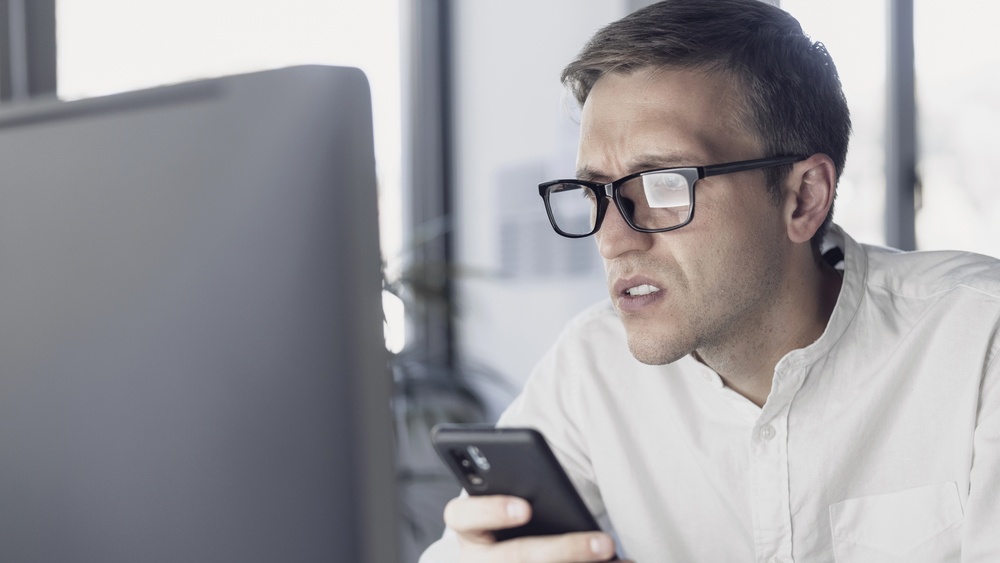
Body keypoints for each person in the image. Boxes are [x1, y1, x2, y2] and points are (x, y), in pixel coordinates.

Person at [421, 0, 1000, 561]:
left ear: (804, 197)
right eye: (596, 192)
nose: (613, 240)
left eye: (665, 185)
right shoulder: (591, 369)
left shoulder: (978, 339)